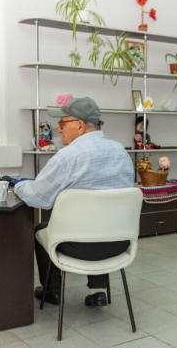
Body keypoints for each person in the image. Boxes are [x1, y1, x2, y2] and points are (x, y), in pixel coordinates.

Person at [14, 97, 134, 307]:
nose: (59, 129)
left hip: (79, 247)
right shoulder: (121, 152)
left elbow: (38, 197)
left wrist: (17, 186)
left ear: (80, 125)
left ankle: (52, 292)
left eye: (62, 123)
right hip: (119, 243)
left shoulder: (68, 156)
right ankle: (98, 292)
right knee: (100, 223)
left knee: (42, 229)